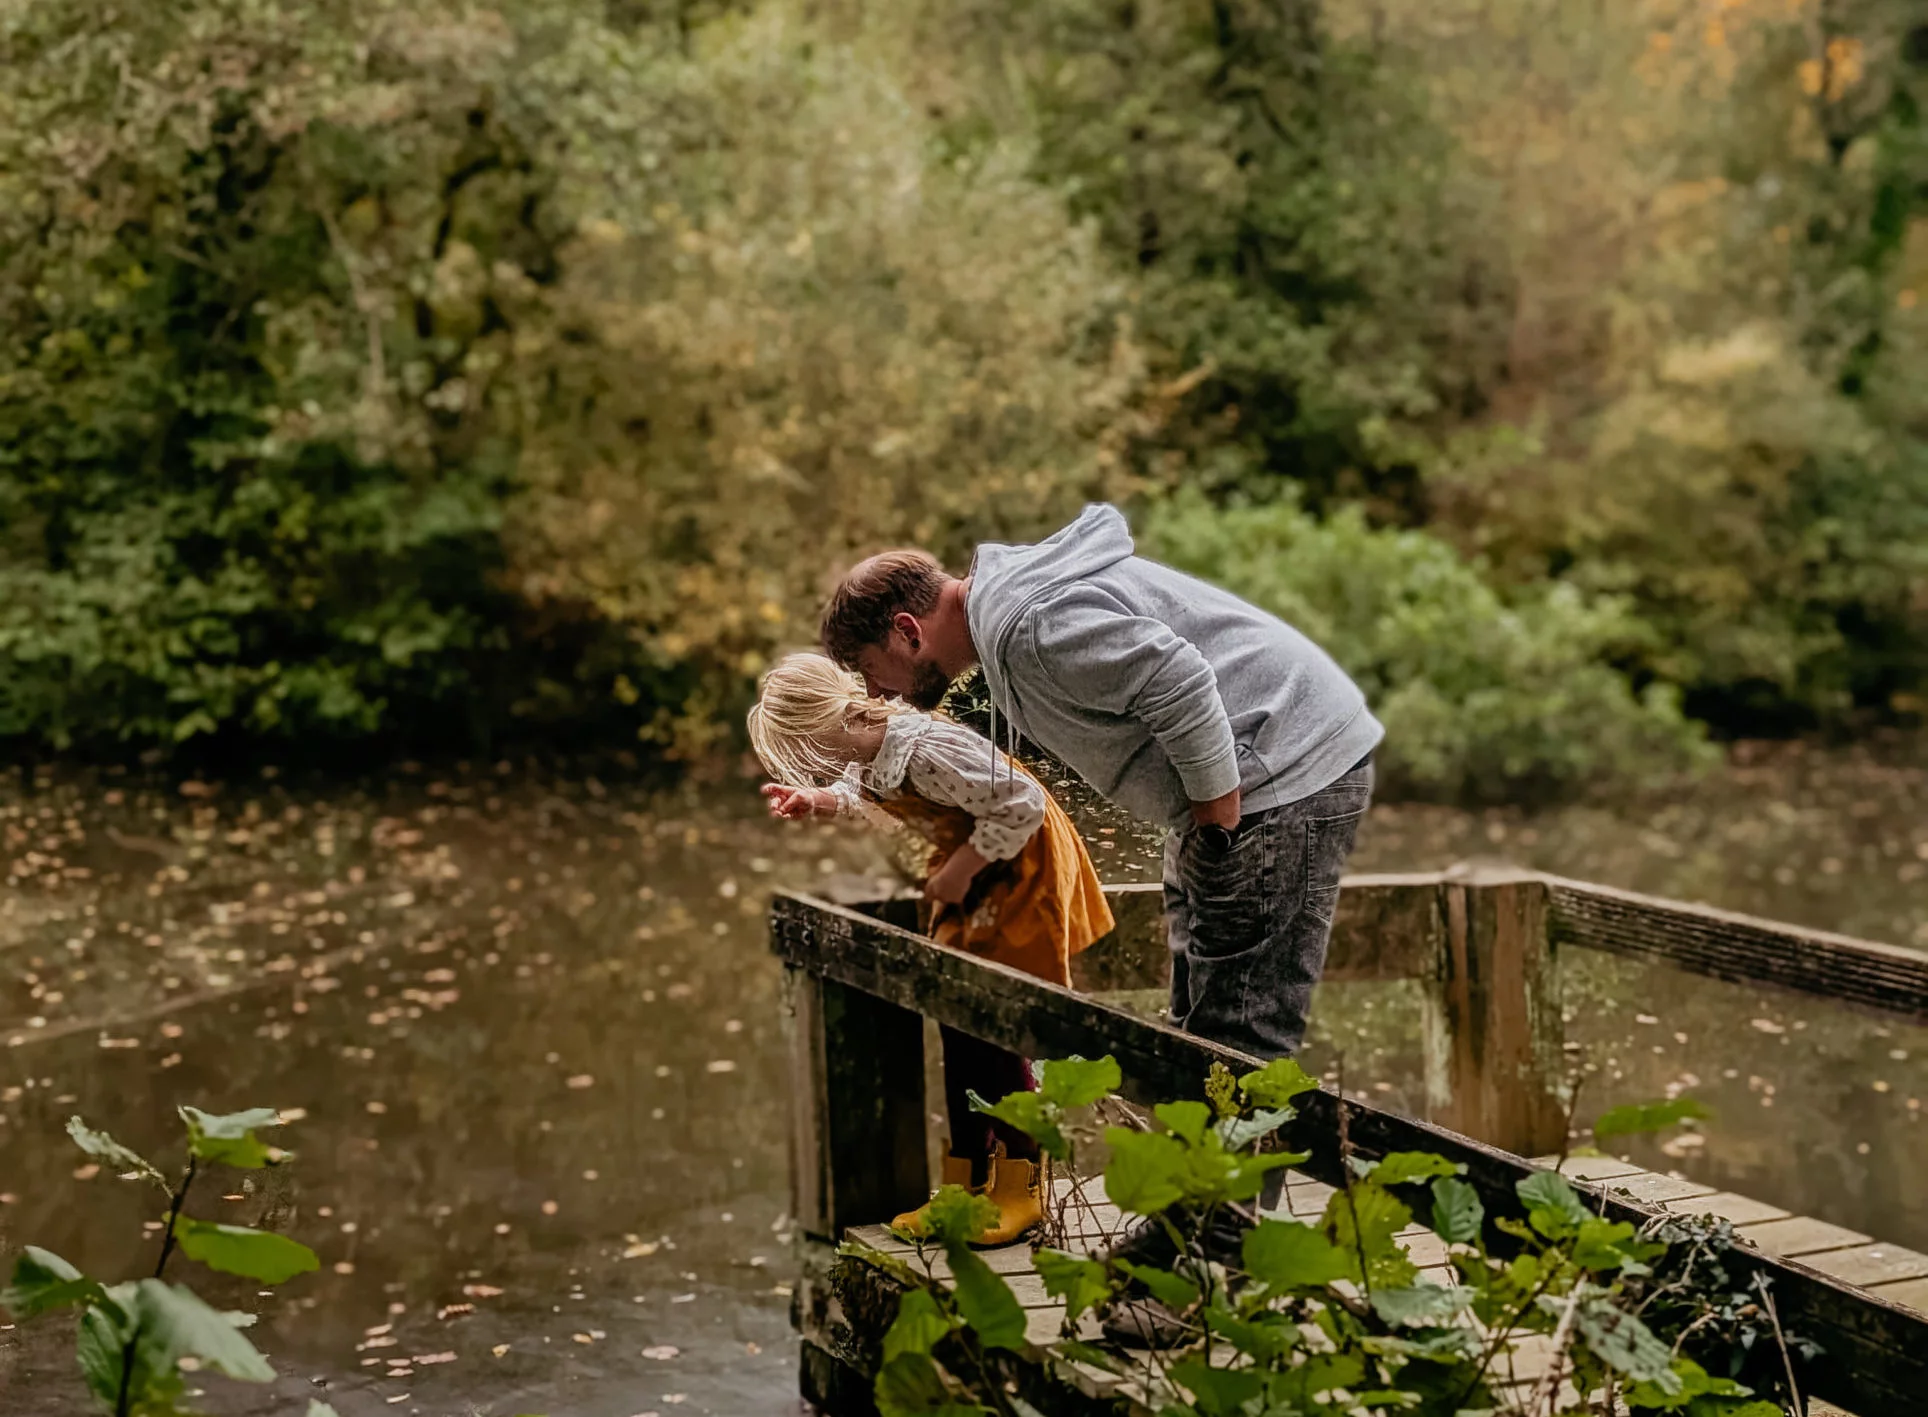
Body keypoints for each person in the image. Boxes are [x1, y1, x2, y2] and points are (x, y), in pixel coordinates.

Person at [819, 503, 1381, 1336]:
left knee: (1244, 1036)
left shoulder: (1031, 623)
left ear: (906, 630)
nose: (879, 696)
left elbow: (1181, 680)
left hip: (1279, 776)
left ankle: (1208, 1277)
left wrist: (1218, 816)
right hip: (1242, 786)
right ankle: (1193, 1228)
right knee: (1197, 1026)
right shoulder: (1012, 619)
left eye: (872, 675)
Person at [747, 652, 1115, 1247]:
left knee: (996, 1026)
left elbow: (1021, 801)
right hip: (974, 872)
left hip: (1017, 872)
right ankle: (965, 1182)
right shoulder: (870, 745)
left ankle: (1021, 1187)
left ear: (831, 718)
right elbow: (863, 784)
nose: (822, 762)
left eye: (814, 747)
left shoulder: (923, 747)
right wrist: (818, 801)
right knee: (957, 1022)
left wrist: (963, 870)